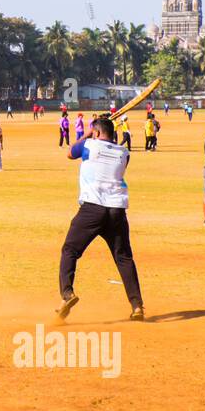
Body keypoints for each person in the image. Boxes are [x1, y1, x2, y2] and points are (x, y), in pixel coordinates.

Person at [54, 117, 145, 323]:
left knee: (70, 250)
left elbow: (70, 153)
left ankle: (67, 293)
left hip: (92, 208)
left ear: (95, 133)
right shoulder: (124, 152)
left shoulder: (88, 144)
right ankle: (137, 305)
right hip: (117, 210)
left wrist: (87, 134)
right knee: (123, 258)